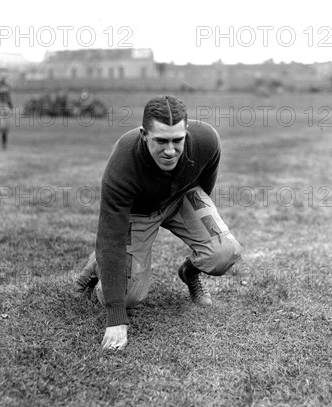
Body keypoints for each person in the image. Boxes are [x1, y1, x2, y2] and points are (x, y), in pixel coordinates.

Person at [74, 95, 242, 351]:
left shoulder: (207, 139)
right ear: (144, 134)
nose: (170, 150)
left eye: (177, 141)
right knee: (129, 296)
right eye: (161, 141)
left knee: (224, 252)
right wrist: (116, 319)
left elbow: (205, 181)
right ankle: (99, 264)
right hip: (139, 212)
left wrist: (195, 223)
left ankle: (190, 272)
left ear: (186, 132)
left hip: (181, 196)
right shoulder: (122, 166)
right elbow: (110, 236)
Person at [0, 72, 13, 150]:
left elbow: (8, 97)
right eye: (2, 77)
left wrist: (10, 105)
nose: (4, 79)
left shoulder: (7, 86)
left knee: (5, 128)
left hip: (5, 106)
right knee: (0, 126)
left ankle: (4, 145)